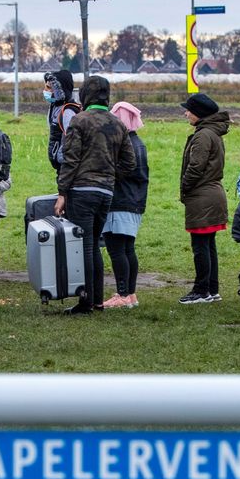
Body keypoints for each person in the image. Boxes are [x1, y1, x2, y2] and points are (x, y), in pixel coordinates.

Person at [54, 76, 137, 314]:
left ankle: (86, 302)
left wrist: (62, 193)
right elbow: (129, 163)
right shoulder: (118, 124)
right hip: (105, 193)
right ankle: (97, 301)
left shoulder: (80, 121)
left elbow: (70, 160)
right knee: (94, 246)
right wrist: (110, 175)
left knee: (85, 247)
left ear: (85, 95)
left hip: (81, 191)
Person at [178, 93, 230, 305]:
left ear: (198, 113)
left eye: (188, 110)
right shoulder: (213, 133)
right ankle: (212, 288)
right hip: (213, 195)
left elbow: (196, 167)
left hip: (202, 197)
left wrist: (185, 187)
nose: (186, 113)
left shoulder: (202, 136)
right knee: (208, 245)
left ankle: (201, 290)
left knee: (200, 246)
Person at [102, 101, 149, 308]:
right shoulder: (138, 143)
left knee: (116, 249)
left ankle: (122, 294)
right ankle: (130, 294)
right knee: (128, 248)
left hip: (120, 201)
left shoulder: (125, 146)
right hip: (134, 202)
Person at [44, 69, 81, 172]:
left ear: (59, 90)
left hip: (66, 166)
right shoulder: (55, 107)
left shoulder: (68, 112)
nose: (45, 91)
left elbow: (72, 142)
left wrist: (62, 160)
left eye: (49, 87)